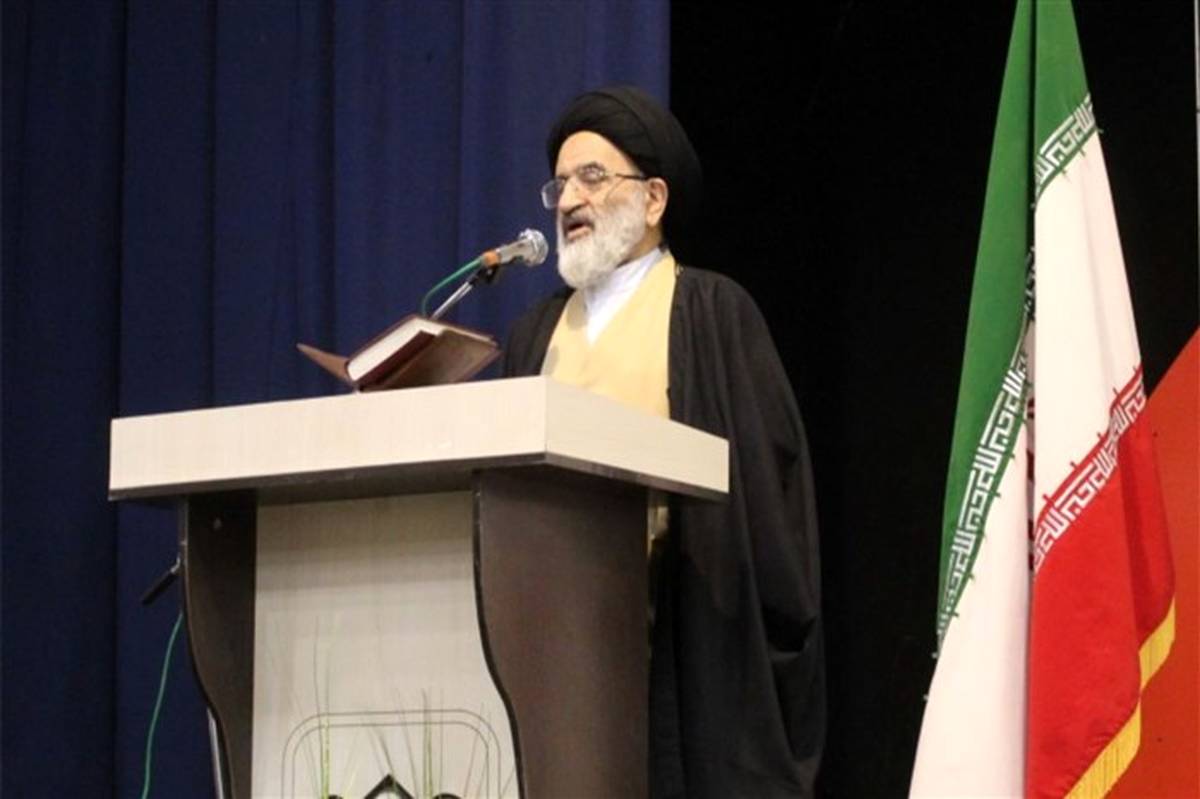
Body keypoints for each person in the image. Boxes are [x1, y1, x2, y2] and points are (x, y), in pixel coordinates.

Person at [502, 85, 824, 798]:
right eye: (559, 184)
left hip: (675, 650)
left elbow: (765, 513)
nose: (568, 200)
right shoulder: (533, 335)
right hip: (549, 651)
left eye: (592, 177)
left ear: (653, 200)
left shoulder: (711, 314)